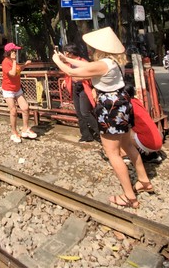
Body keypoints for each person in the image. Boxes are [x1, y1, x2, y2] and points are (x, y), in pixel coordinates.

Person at [52, 27, 153, 209]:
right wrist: (66, 58)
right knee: (128, 145)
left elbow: (73, 73)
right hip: (122, 103)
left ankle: (129, 196)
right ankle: (144, 181)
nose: (90, 50)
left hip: (110, 107)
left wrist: (56, 61)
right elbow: (83, 66)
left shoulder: (103, 64)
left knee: (113, 153)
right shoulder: (115, 61)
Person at [59, 44, 99, 143]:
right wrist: (66, 80)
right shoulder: (69, 63)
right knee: (79, 113)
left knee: (85, 112)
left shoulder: (82, 62)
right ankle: (86, 135)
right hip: (74, 87)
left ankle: (100, 132)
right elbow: (68, 73)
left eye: (66, 52)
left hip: (83, 87)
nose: (65, 54)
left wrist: (79, 78)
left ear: (70, 53)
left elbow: (90, 75)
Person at [1, 42, 37, 143]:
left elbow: (17, 70)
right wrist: (13, 60)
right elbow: (12, 73)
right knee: (13, 111)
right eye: (14, 51)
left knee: (25, 108)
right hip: (8, 90)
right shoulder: (6, 62)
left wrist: (25, 65)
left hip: (17, 88)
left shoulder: (13, 62)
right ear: (9, 52)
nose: (16, 52)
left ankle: (25, 129)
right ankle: (14, 132)